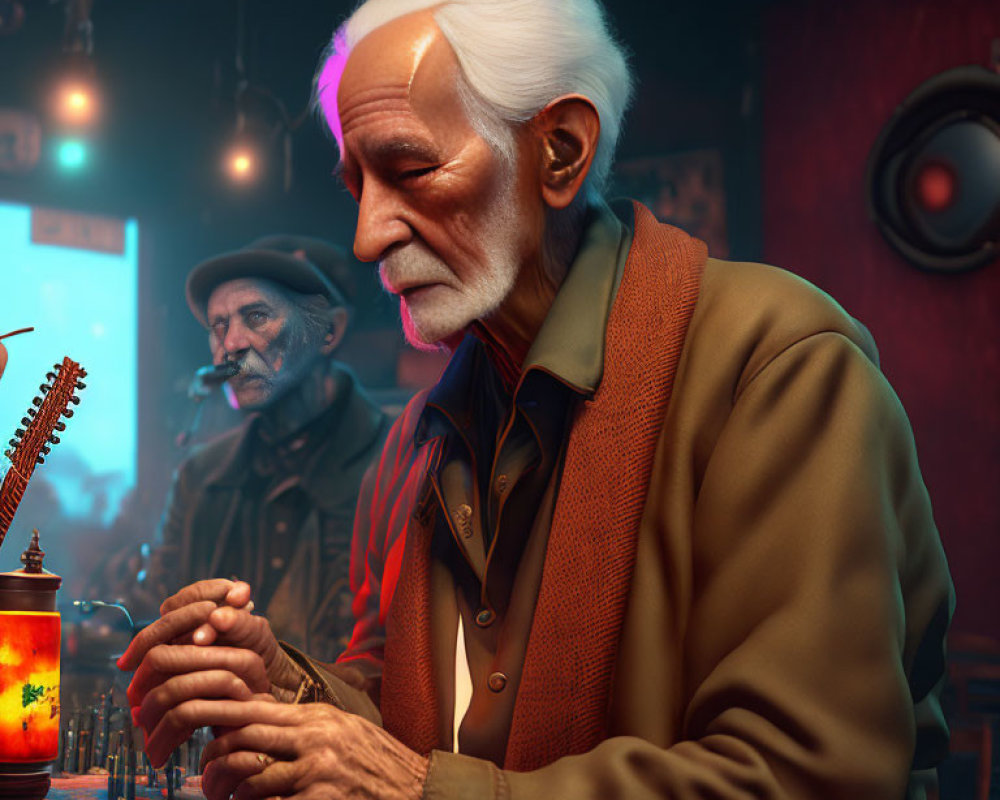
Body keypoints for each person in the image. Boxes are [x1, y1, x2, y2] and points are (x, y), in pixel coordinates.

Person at [118, 2, 955, 799]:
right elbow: (426, 711)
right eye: (357, 186)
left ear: (560, 151)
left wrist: (420, 792)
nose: (369, 234)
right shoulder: (424, 433)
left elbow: (812, 775)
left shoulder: (771, 370)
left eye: (411, 169)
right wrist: (285, 685)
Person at [134, 236, 390, 661]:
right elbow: (156, 617)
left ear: (330, 331)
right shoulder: (200, 478)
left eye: (256, 316)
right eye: (218, 325)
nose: (231, 344)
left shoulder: (401, 463)